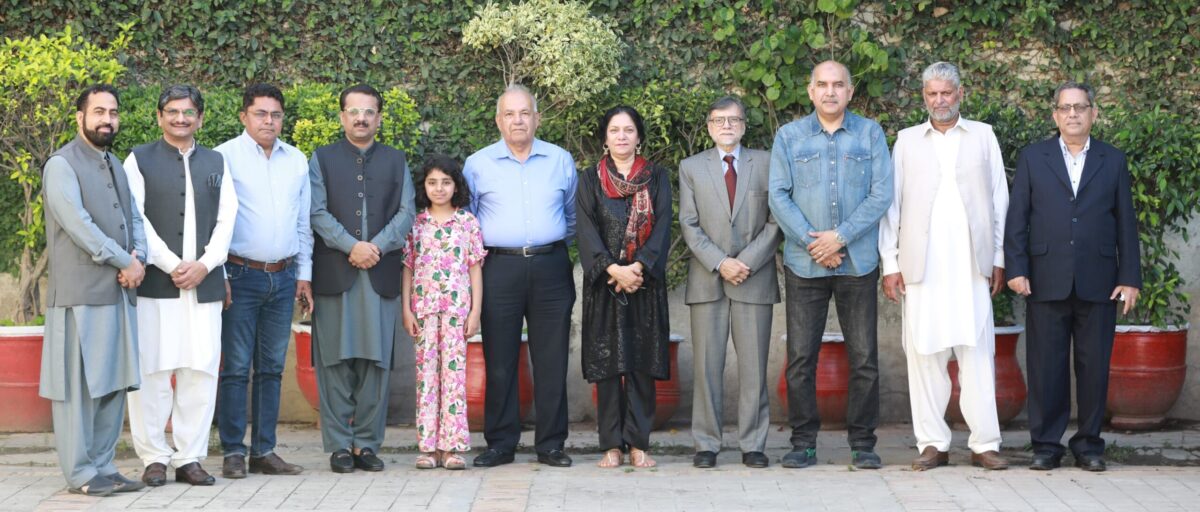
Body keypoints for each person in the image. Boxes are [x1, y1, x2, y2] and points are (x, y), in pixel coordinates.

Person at [878, 62, 1009, 471]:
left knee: (977, 352)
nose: (940, 100)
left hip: (972, 265)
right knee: (924, 353)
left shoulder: (983, 135)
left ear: (960, 94)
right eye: (932, 94)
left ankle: (985, 443)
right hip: (921, 266)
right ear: (924, 97)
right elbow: (891, 206)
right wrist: (889, 262)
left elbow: (999, 199)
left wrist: (998, 257)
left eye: (946, 93)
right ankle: (933, 443)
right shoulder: (906, 141)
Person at [1004, 82, 1141, 472]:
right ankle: (1046, 445)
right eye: (1065, 108)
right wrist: (1016, 268)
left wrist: (1130, 277)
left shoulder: (1113, 159)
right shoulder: (1034, 157)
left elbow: (1126, 222)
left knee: (1094, 367)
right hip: (1045, 277)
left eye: (1080, 107)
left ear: (1093, 113)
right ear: (1055, 115)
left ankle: (1089, 445)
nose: (1073, 114)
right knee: (1046, 368)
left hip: (1100, 279)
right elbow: (1018, 217)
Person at [768, 60, 893, 469]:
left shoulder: (870, 133)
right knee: (801, 359)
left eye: (838, 84)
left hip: (857, 263)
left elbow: (881, 194)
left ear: (850, 91)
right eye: (822, 84)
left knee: (864, 359)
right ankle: (803, 442)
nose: (830, 91)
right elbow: (778, 196)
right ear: (810, 91)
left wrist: (839, 238)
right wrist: (815, 243)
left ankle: (863, 444)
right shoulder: (789, 137)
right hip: (805, 265)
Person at [124, 85, 238, 487]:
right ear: (159, 117)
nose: (180, 118)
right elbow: (135, 219)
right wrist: (173, 265)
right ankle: (154, 457)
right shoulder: (138, 160)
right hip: (157, 282)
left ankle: (190, 457)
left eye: (188, 112)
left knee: (199, 371)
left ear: (200, 118)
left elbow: (227, 219)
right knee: (152, 372)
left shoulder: (217, 162)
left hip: (204, 284)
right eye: (172, 111)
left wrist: (205, 265)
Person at [40, 84, 148, 496]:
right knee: (77, 388)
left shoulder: (114, 163)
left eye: (113, 112)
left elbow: (133, 217)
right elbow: (79, 225)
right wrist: (125, 262)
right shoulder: (61, 164)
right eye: (99, 111)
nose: (107, 119)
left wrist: (138, 258)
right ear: (80, 117)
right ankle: (81, 474)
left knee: (113, 382)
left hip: (118, 291)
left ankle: (103, 465)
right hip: (79, 294)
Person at [464, 84, 577, 468]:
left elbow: (571, 215)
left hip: (550, 266)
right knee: (499, 359)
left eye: (524, 113)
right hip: (498, 268)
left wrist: (549, 246)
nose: (518, 121)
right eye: (509, 114)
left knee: (552, 358)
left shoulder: (560, 160)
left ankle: (551, 444)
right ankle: (500, 443)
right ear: (498, 121)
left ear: (537, 118)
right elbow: (468, 221)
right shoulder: (477, 164)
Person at [309, 84, 415, 474]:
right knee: (334, 362)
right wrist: (351, 246)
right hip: (336, 273)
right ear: (342, 117)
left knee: (376, 362)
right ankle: (339, 445)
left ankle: (367, 444)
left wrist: (376, 247)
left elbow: (406, 212)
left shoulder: (396, 160)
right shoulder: (321, 159)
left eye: (369, 112)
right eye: (353, 111)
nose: (361, 118)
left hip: (379, 274)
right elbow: (316, 212)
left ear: (379, 118)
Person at [215, 83, 312, 478]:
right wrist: (220, 274)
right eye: (260, 113)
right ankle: (233, 451)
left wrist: (304, 275)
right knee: (236, 368)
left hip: (284, 276)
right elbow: (214, 222)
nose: (268, 121)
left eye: (275, 114)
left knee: (272, 368)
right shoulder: (224, 157)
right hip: (239, 274)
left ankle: (265, 451)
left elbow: (303, 222)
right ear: (244, 116)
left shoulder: (297, 160)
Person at [679, 95, 780, 469]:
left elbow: (776, 220)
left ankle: (753, 444)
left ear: (743, 126)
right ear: (709, 126)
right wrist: (721, 263)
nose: (726, 126)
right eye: (719, 120)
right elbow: (689, 224)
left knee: (754, 367)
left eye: (734, 120)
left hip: (754, 278)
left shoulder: (766, 163)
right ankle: (706, 444)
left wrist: (745, 263)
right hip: (708, 280)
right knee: (707, 367)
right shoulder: (691, 167)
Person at [577, 105, 672, 469]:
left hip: (643, 286)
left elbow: (663, 226)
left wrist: (639, 267)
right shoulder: (590, 179)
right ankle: (611, 445)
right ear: (605, 138)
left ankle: (638, 444)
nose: (621, 136)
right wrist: (614, 270)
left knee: (641, 364)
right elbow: (585, 229)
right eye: (614, 130)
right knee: (607, 366)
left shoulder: (656, 177)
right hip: (606, 286)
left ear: (638, 136)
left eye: (628, 130)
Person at [401, 156, 486, 471]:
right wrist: (406, 310)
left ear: (456, 186)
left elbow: (475, 268)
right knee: (426, 379)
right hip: (424, 311)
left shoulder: (467, 222)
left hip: (456, 312)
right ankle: (428, 448)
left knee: (453, 379)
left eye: (446, 182)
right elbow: (408, 268)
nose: (439, 189)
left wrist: (475, 311)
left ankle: (452, 448)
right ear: (423, 186)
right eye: (432, 182)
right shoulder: (416, 223)